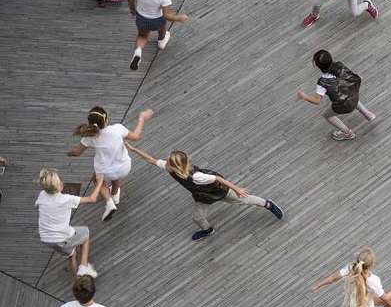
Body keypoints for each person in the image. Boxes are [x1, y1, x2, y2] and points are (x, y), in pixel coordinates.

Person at [127, 144, 283, 240]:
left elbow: (218, 179)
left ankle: (268, 204)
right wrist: (134, 150)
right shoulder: (171, 169)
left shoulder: (197, 177)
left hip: (219, 191)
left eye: (168, 162)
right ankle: (208, 230)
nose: (165, 163)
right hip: (202, 196)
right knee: (197, 217)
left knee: (244, 200)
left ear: (177, 166)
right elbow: (151, 160)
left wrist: (236, 188)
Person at [67, 107, 153, 221]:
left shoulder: (90, 136)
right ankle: (115, 194)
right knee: (115, 175)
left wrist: (69, 153)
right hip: (124, 167)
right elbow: (136, 136)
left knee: (97, 179)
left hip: (105, 171)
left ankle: (109, 202)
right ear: (106, 119)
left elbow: (77, 152)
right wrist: (142, 119)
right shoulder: (118, 129)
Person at [35, 168, 104, 277]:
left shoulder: (42, 195)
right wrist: (99, 183)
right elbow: (92, 198)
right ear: (59, 186)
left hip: (46, 239)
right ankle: (83, 266)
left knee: (72, 253)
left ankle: (77, 279)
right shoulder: (65, 199)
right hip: (61, 238)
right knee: (85, 232)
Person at [296, 50, 374, 141]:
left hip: (343, 105)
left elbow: (317, 100)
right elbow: (353, 77)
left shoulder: (323, 82)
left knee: (326, 115)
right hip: (354, 95)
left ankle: (347, 133)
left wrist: (303, 96)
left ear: (318, 66)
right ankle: (367, 114)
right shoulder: (340, 66)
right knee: (350, 96)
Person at [127, 0, 188, 71]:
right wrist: (179, 18)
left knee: (142, 36)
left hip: (141, 18)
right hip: (157, 20)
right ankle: (161, 42)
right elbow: (166, 15)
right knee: (162, 29)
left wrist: (132, 10)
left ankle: (138, 52)